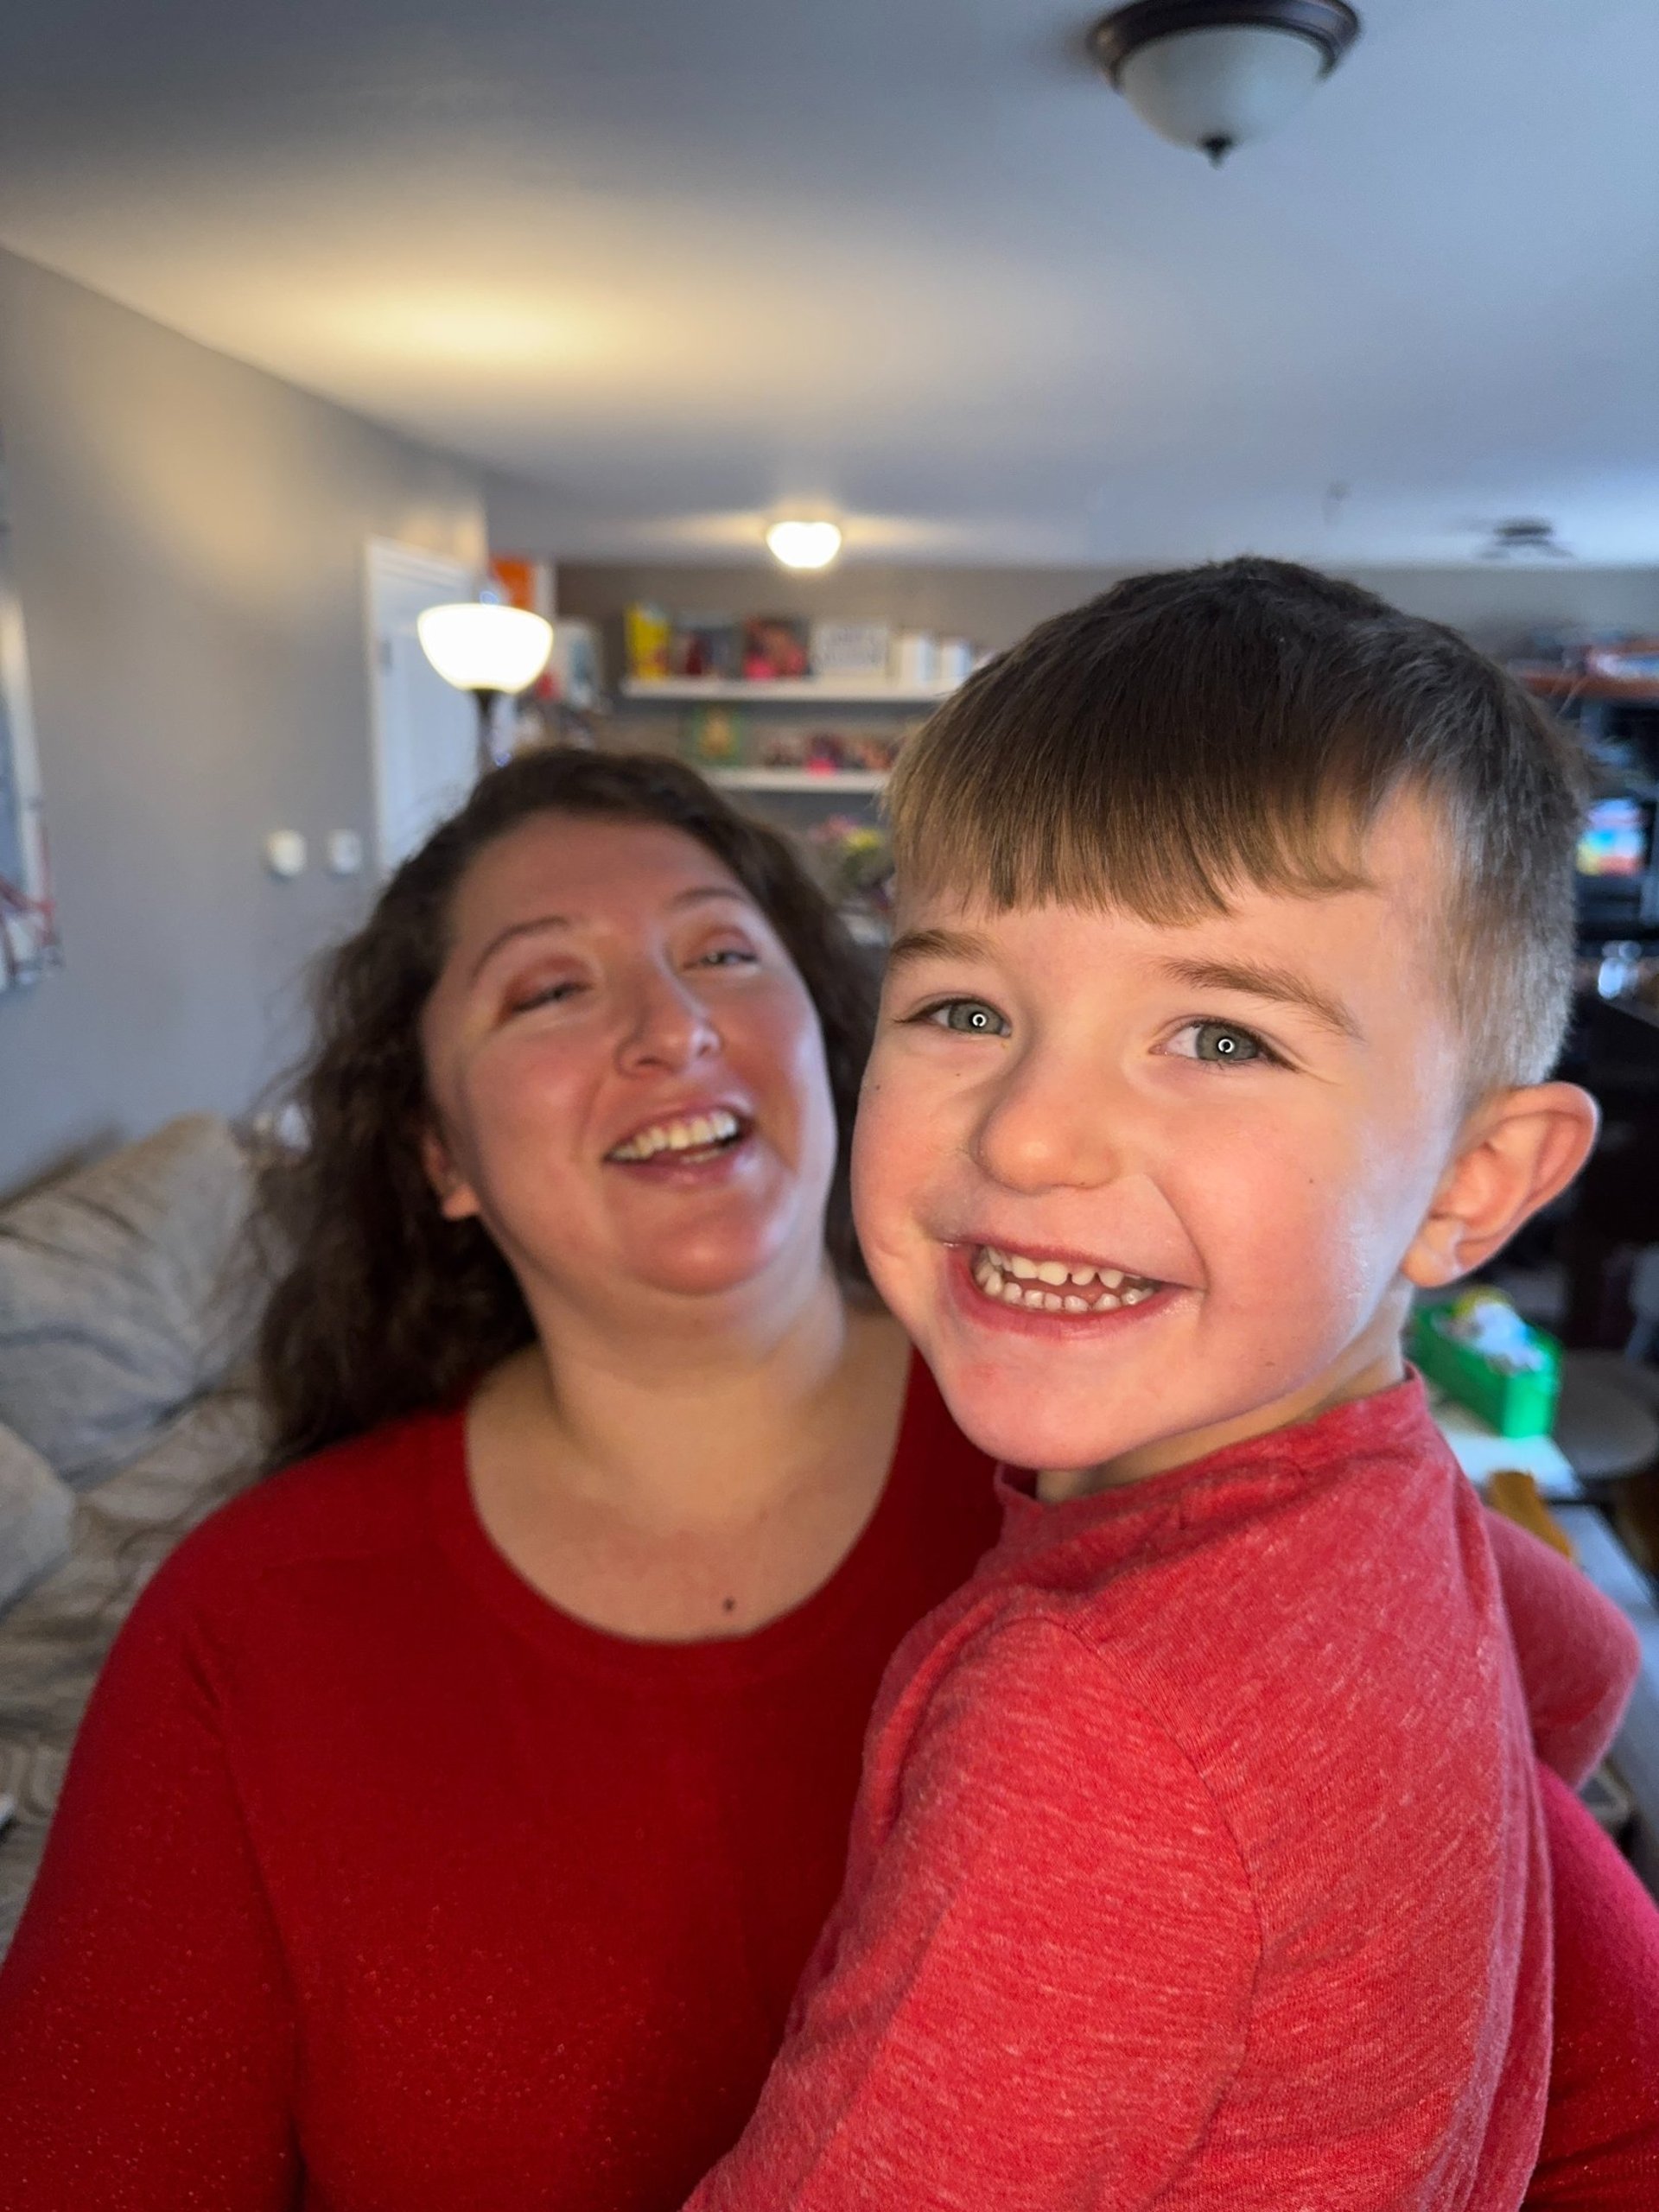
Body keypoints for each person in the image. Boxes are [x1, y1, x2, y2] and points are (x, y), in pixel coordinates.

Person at [0, 745, 1649, 2210]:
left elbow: (1571, 1948)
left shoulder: (1141, 1472)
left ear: (828, 1033)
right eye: (547, 992)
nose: (673, 1025)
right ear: (437, 1152)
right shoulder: (253, 1626)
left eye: (726, 953)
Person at [683, 561, 1659, 2210]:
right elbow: (1580, 1666)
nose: (1027, 1136)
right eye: (966, 1006)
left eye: (1220, 1038)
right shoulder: (1401, 1488)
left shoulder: (1091, 1725)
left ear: (1472, 1185)